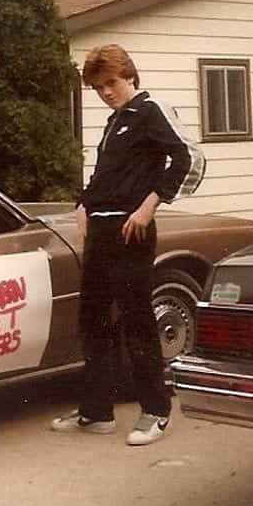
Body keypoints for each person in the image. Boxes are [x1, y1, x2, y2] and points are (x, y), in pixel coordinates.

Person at [50, 43, 205, 446]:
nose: (106, 92)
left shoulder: (151, 110)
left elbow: (189, 158)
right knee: (94, 321)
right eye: (98, 87)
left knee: (137, 320)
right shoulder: (115, 121)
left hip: (131, 230)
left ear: (130, 76)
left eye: (112, 83)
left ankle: (156, 410)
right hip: (100, 231)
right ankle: (96, 412)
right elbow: (106, 175)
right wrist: (83, 204)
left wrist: (150, 205)